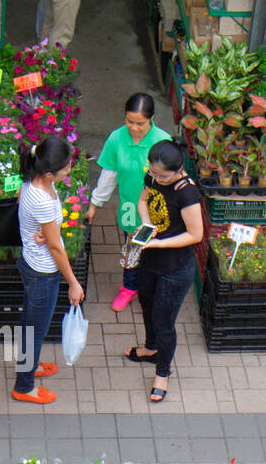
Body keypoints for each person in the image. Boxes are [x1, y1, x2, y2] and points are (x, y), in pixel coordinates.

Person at [127, 140, 203, 403]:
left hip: (175, 268)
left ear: (178, 169)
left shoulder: (187, 193)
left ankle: (163, 372)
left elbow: (196, 234)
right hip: (151, 259)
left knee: (164, 321)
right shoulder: (152, 175)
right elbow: (142, 201)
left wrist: (159, 242)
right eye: (154, 173)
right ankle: (150, 348)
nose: (156, 178)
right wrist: (147, 226)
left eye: (163, 175)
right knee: (146, 304)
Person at [12, 136, 84, 405]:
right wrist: (74, 283)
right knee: (36, 329)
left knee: (30, 322)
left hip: (31, 264)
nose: (70, 169)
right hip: (43, 273)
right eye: (66, 166)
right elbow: (56, 249)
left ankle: (28, 366)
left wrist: (40, 231)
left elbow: (25, 212)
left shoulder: (34, 183)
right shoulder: (41, 199)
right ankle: (24, 386)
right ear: (50, 171)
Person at [87, 93, 172, 312]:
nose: (134, 128)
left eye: (140, 124)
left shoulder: (162, 141)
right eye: (130, 122)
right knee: (130, 247)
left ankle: (153, 288)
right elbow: (109, 175)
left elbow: (172, 180)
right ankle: (130, 287)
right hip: (128, 207)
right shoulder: (116, 139)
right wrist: (95, 204)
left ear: (151, 119)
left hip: (156, 209)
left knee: (156, 250)